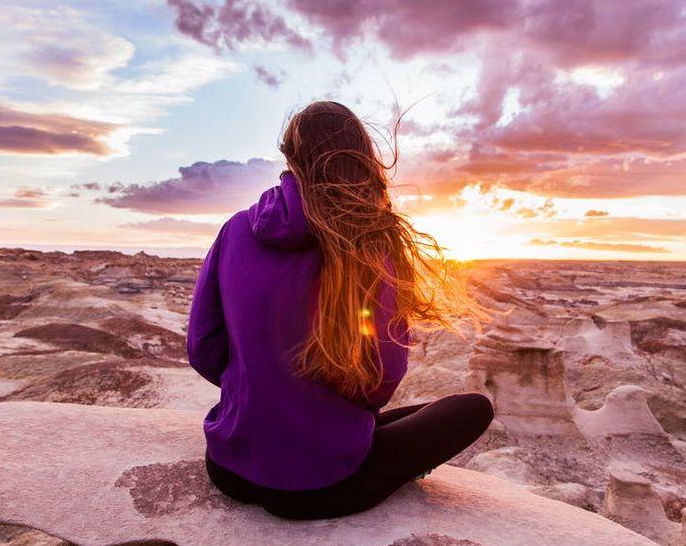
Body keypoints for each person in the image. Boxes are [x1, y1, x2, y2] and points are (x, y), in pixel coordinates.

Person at [187, 100, 497, 520]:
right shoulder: (367, 241)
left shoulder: (236, 228)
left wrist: (261, 388)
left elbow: (203, 347)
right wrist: (319, 411)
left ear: (289, 156)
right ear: (363, 159)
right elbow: (381, 378)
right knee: (472, 408)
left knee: (395, 420)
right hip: (316, 487)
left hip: (227, 466)